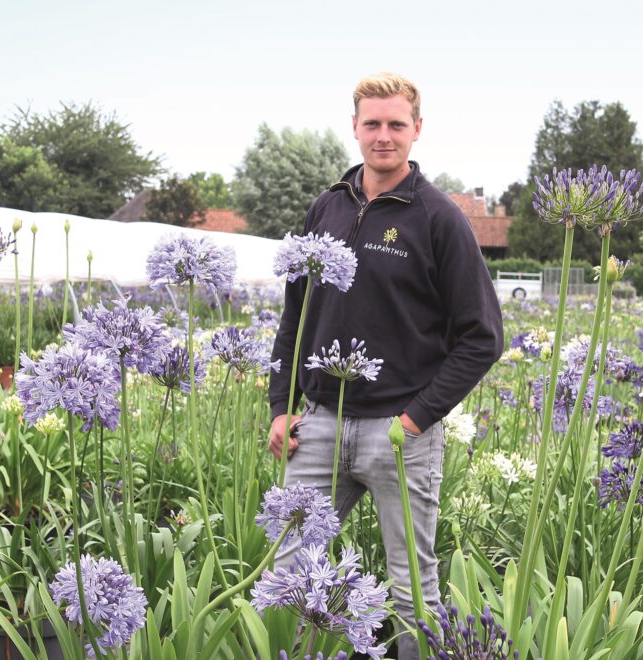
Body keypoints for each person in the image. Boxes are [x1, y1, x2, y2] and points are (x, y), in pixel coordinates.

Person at [267, 72, 504, 658]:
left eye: (396, 124)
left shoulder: (438, 217)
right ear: (354, 128)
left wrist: (417, 419)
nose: (383, 136)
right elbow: (295, 316)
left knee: (411, 591)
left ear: (417, 130)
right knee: (291, 575)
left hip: (399, 436)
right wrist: (281, 405)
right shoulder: (325, 207)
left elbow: (483, 337)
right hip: (318, 425)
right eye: (372, 123)